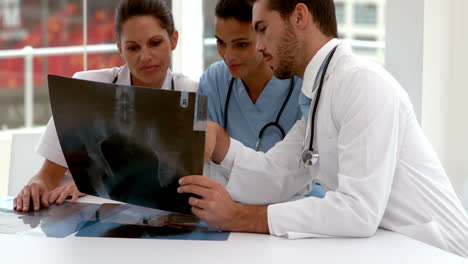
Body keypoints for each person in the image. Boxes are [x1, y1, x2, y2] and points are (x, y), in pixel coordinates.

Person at [178, 0, 468, 257]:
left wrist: (240, 217)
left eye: (263, 29)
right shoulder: (319, 96)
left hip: (438, 253)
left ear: (300, 16)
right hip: (390, 248)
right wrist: (220, 146)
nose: (259, 45)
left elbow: (358, 211)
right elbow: (277, 175)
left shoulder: (362, 83)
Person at [14, 0, 198, 212]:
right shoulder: (86, 89)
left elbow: (188, 184)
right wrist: (36, 186)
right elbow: (47, 175)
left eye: (155, 43)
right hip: (82, 217)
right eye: (133, 47)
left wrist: (100, 185)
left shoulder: (192, 93)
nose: (145, 56)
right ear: (120, 49)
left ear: (173, 40)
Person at [200, 0, 323, 199]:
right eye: (220, 43)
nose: (228, 56)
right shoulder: (213, 81)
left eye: (241, 44)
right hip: (226, 205)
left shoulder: (303, 86)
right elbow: (204, 165)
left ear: (263, 37)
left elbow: (304, 175)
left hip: (291, 207)